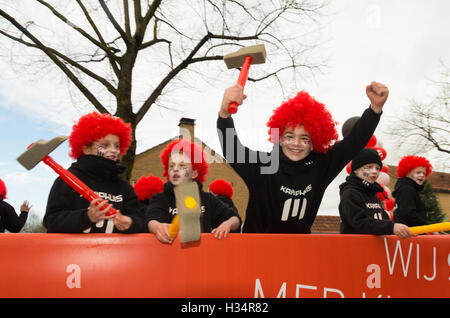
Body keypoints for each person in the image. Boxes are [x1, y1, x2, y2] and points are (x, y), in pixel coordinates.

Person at [217, 82, 389, 233]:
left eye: (304, 138)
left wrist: (374, 110)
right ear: (280, 138)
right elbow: (232, 150)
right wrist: (224, 113)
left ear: (314, 141)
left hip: (298, 252)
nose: (296, 143)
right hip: (257, 251)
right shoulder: (263, 165)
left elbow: (354, 141)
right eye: (289, 136)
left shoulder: (321, 165)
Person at [43, 112, 143, 233]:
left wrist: (130, 223)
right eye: (105, 145)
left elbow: (139, 219)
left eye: (117, 146)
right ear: (86, 149)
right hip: (74, 251)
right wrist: (87, 217)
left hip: (115, 251)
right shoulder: (66, 181)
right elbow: (51, 221)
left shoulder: (124, 187)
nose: (113, 150)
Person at [145, 139, 241, 243]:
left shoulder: (207, 199)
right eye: (171, 165)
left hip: (201, 255)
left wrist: (227, 224)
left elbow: (235, 218)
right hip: (170, 255)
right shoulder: (160, 198)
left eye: (182, 166)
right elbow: (151, 220)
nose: (175, 169)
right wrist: (158, 227)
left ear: (194, 173)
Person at [338, 148, 412, 238]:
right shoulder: (350, 193)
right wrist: (391, 227)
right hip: (355, 248)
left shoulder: (374, 195)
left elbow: (381, 220)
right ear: (356, 170)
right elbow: (360, 222)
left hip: (375, 248)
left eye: (377, 168)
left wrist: (402, 230)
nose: (375, 171)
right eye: (369, 167)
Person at [393, 155, 433, 227]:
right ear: (407, 173)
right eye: (418, 172)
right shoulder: (407, 190)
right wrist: (428, 227)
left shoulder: (406, 189)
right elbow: (408, 214)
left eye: (424, 173)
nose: (422, 175)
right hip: (410, 234)